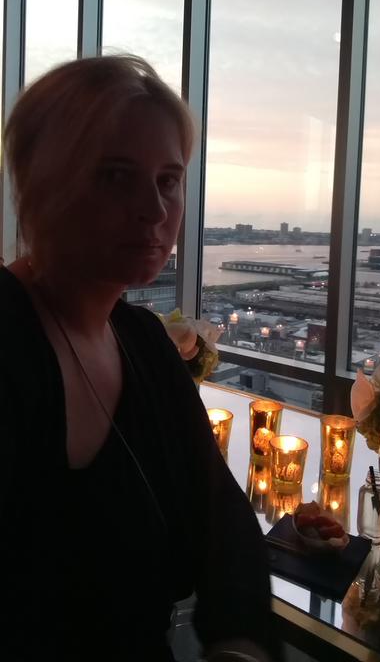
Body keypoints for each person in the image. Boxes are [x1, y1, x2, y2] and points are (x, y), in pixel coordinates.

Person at [0, 55, 280, 661]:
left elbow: (224, 522)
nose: (154, 210)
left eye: (168, 180)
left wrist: (240, 646)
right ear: (42, 184)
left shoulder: (145, 343)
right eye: (115, 176)